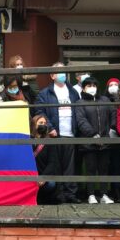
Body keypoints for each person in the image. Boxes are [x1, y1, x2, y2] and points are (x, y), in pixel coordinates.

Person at [35, 62, 81, 204]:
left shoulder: (73, 92)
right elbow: (39, 111)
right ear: (52, 75)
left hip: (70, 134)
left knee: (70, 167)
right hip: (54, 135)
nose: (62, 74)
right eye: (59, 72)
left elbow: (79, 110)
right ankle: (59, 195)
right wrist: (50, 127)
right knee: (56, 165)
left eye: (64, 71)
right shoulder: (45, 93)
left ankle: (70, 194)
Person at [75, 77, 115, 204]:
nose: (92, 87)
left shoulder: (105, 100)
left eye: (94, 85)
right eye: (88, 85)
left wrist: (109, 132)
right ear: (83, 88)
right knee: (90, 169)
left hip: (105, 141)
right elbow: (81, 121)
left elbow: (112, 115)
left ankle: (104, 194)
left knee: (104, 169)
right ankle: (91, 195)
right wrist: (93, 135)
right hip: (88, 142)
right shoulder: (80, 103)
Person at [31, 115, 61, 204]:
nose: (43, 125)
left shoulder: (49, 142)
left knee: (51, 184)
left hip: (43, 175)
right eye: (40, 123)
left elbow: (52, 163)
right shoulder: (27, 140)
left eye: (45, 123)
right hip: (30, 174)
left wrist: (43, 177)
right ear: (34, 125)